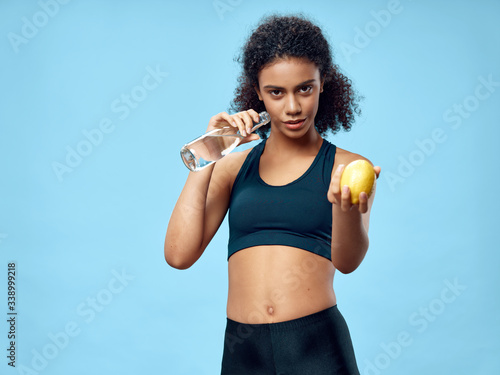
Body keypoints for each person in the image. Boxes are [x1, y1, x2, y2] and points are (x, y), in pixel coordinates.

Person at [165, 14, 381, 375]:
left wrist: (344, 210)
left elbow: (348, 262)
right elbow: (178, 254)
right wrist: (209, 151)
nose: (292, 107)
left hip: (316, 347)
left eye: (305, 88)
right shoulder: (233, 168)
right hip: (243, 351)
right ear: (257, 91)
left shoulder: (348, 167)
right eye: (276, 92)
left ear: (323, 83)